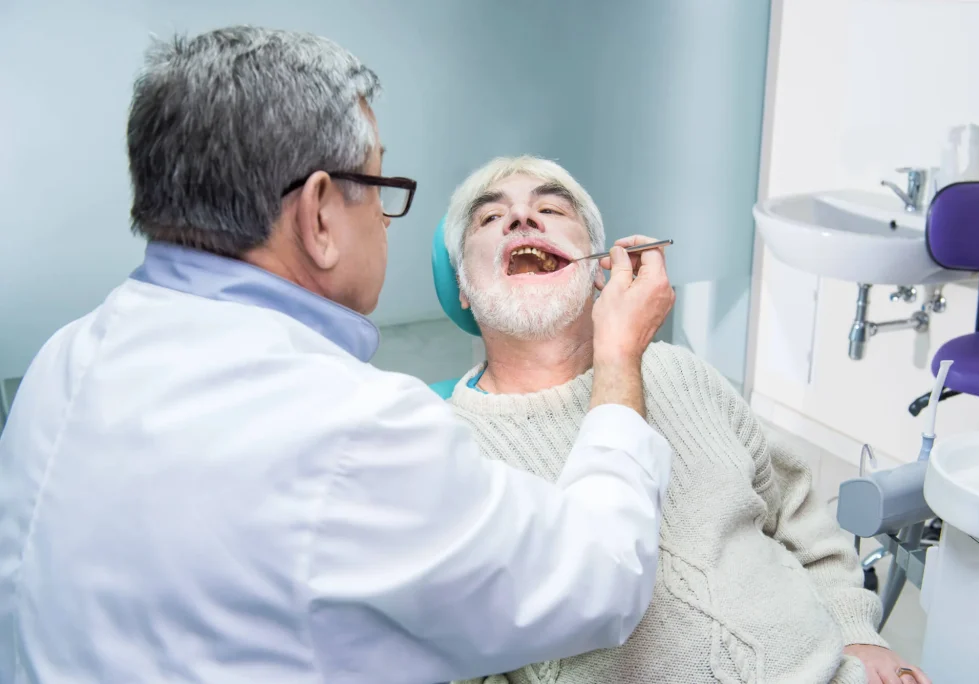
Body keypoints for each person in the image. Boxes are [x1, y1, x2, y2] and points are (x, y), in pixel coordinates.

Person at [0, 28, 679, 684]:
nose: (385, 219)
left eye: (549, 207)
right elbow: (603, 572)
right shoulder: (357, 431)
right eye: (382, 185)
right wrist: (620, 354)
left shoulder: (62, 360)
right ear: (320, 213)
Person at [438, 156, 932, 684]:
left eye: (551, 208)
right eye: (490, 218)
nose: (522, 219)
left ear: (600, 269)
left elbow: (795, 510)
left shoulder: (679, 370)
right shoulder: (447, 460)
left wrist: (858, 632)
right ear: (465, 289)